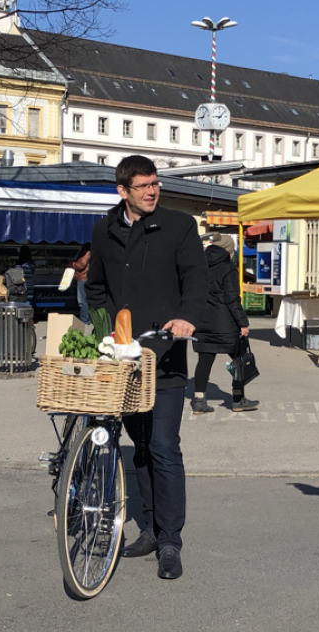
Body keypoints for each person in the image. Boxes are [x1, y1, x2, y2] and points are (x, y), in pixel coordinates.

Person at [86, 155, 208, 580]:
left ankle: (171, 540)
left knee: (163, 446)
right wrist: (104, 332)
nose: (152, 191)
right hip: (124, 358)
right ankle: (152, 529)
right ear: (123, 191)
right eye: (142, 186)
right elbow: (96, 286)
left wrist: (188, 315)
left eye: (155, 183)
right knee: (138, 447)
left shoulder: (179, 226)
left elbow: (197, 277)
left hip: (166, 354)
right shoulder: (104, 230)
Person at [191, 233, 258, 414]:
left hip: (202, 322)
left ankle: (198, 401)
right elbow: (232, 300)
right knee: (239, 359)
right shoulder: (228, 268)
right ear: (229, 251)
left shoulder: (199, 265)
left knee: (204, 360)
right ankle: (238, 399)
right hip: (225, 324)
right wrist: (243, 323)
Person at [69, 243, 91, 324]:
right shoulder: (89, 250)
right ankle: (86, 318)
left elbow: (82, 264)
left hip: (82, 278)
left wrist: (73, 264)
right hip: (85, 277)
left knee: (82, 301)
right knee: (84, 300)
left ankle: (85, 319)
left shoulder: (86, 251)